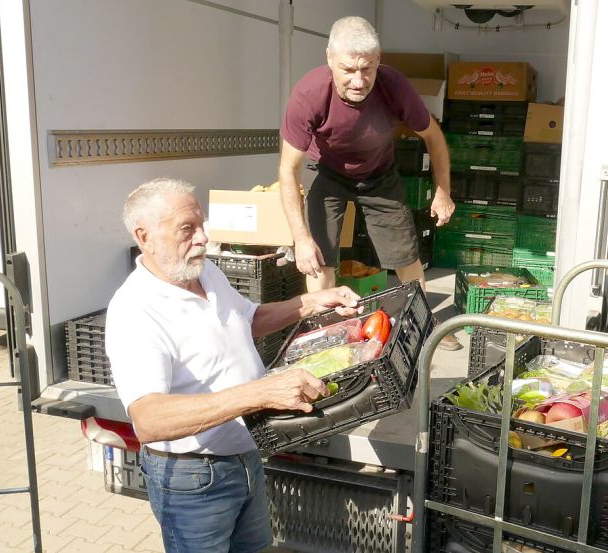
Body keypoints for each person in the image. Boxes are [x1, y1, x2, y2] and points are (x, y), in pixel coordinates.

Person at [105, 178, 362, 553]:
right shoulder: (136, 310)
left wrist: (310, 303)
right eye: (187, 229)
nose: (203, 238)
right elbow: (148, 420)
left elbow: (247, 318)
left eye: (202, 225)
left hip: (245, 457)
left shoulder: (202, 271)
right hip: (194, 480)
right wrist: (260, 393)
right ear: (144, 237)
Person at [278, 15, 462, 350]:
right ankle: (325, 328)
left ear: (379, 61)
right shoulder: (309, 95)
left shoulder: (395, 87)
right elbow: (287, 170)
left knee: (406, 254)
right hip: (326, 172)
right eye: (348, 70)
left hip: (379, 174)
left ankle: (422, 323)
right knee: (318, 258)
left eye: (368, 69)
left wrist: (443, 191)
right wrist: (301, 239)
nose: (359, 81)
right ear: (330, 59)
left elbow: (434, 138)